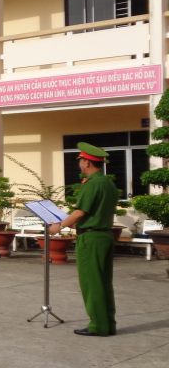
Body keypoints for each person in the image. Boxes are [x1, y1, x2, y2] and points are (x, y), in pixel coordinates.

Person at [50, 142, 119, 337]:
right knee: (104, 282)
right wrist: (74, 223)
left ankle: (98, 325)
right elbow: (95, 212)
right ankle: (108, 324)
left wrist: (60, 225)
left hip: (91, 238)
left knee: (92, 283)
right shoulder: (108, 183)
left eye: (80, 160)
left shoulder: (92, 183)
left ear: (87, 163)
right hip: (104, 235)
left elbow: (80, 211)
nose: (79, 163)